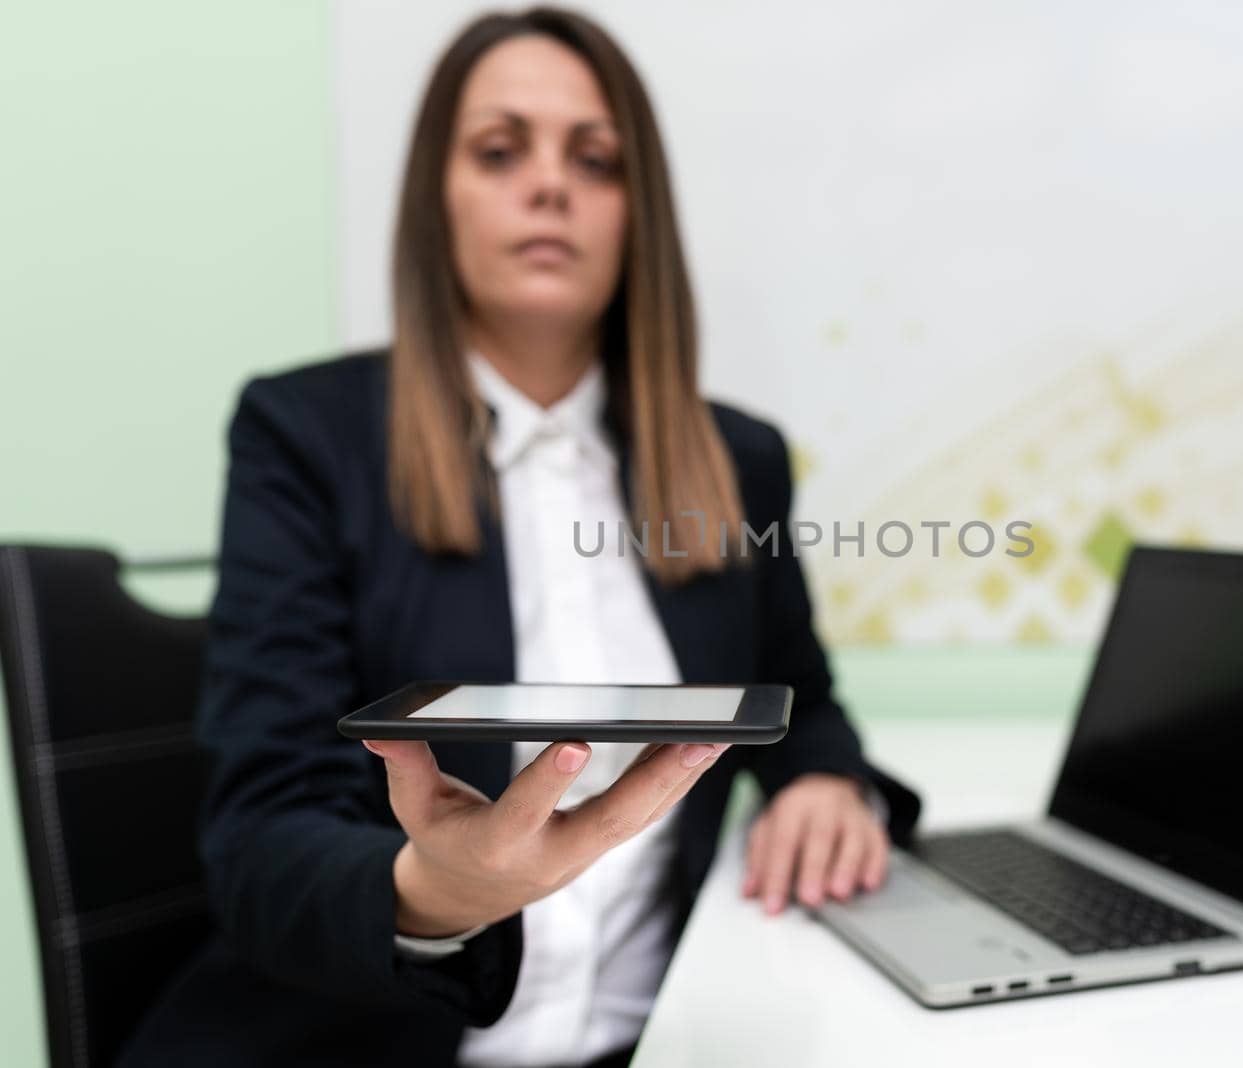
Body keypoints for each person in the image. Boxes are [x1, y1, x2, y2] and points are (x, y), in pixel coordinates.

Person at [119, 8, 918, 1067]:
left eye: (596, 161)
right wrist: (436, 893)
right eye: (500, 152)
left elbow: (795, 694)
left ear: (639, 213)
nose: (550, 186)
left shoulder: (738, 459)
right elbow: (261, 836)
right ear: (434, 199)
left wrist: (823, 781)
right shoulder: (306, 437)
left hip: (665, 1038)